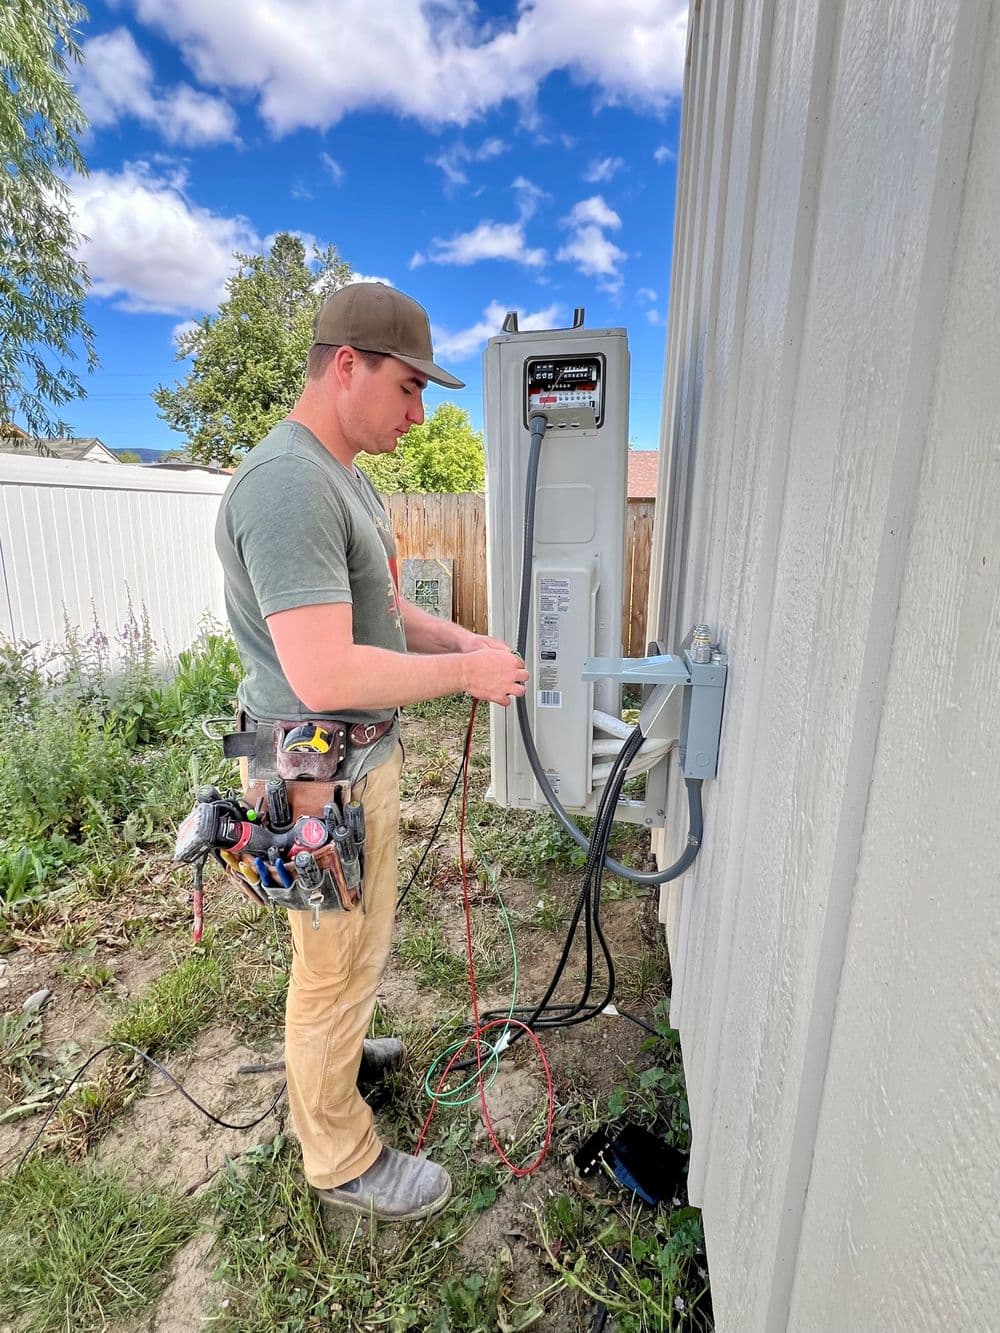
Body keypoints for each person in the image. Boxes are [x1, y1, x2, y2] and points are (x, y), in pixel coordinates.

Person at [214, 282, 528, 1222]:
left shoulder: (342, 473)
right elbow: (320, 668)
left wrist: (463, 643)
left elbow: (383, 617)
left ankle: (342, 1065)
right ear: (345, 365)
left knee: (352, 950)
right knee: (332, 965)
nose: (416, 413)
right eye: (406, 387)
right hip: (313, 777)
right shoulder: (286, 486)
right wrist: (465, 682)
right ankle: (340, 1155)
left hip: (351, 766)